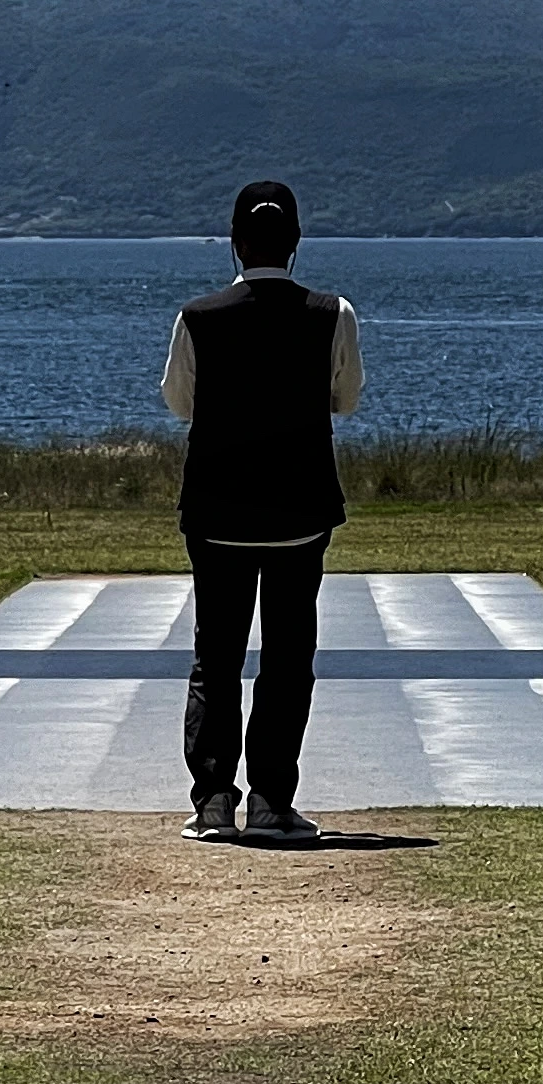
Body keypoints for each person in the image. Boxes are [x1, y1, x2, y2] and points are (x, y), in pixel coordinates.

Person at [158, 178, 363, 843]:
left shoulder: (198, 317)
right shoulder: (333, 313)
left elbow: (179, 404)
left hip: (217, 512)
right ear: (297, 242)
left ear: (235, 242)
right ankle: (272, 799)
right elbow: (347, 400)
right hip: (298, 511)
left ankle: (214, 797)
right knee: (287, 656)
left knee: (214, 657)